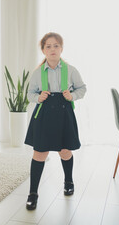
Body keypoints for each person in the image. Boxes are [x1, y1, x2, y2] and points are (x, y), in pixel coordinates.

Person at [24, 32, 86, 210]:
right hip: (44, 116)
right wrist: (39, 97)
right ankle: (33, 193)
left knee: (65, 151)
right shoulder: (37, 73)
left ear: (61, 48)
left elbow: (82, 88)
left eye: (56, 45)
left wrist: (72, 95)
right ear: (43, 50)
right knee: (39, 153)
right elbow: (29, 94)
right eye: (48, 46)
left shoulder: (71, 70)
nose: (52, 49)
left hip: (64, 114)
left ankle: (68, 181)